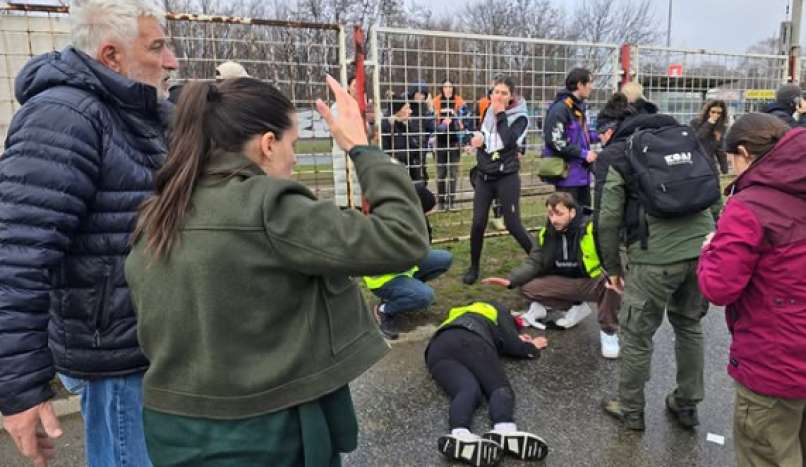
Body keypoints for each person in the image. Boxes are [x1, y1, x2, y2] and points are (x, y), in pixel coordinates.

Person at [124, 76, 430, 465]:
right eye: (294, 145)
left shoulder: (159, 211)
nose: (296, 158)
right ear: (268, 144)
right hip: (265, 432)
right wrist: (362, 149)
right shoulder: (267, 205)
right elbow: (402, 237)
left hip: (172, 429)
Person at [0, 1, 178, 466]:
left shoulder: (128, 109)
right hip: (116, 360)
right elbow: (16, 257)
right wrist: (20, 389)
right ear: (111, 56)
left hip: (146, 347)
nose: (171, 60)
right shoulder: (64, 117)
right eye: (157, 47)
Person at [594, 90, 715, 431]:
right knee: (689, 324)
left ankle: (631, 409)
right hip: (701, 251)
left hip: (654, 259)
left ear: (617, 126)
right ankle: (687, 404)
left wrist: (612, 270)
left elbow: (606, 219)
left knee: (636, 334)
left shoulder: (621, 154)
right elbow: (713, 195)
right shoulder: (687, 142)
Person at [698, 113, 806, 467]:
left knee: (767, 451)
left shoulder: (751, 205)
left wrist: (711, 249)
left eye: (732, 160)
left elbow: (718, 286)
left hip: (774, 358)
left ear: (744, 153)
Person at [481, 192, 621, 359]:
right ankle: (576, 307)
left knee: (613, 281)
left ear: (572, 212)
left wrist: (616, 275)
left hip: (593, 281)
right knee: (527, 287)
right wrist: (512, 279)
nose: (554, 219)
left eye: (559, 214)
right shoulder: (547, 233)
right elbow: (535, 261)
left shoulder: (593, 227)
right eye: (550, 214)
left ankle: (609, 332)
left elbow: (613, 256)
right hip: (566, 282)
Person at [427, 302, 549, 467]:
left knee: (468, 390)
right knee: (498, 387)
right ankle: (504, 429)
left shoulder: (459, 311)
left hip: (436, 349)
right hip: (469, 339)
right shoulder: (496, 309)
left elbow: (497, 340)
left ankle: (460, 433)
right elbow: (512, 345)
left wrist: (510, 338)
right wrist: (531, 347)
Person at [462, 76, 533, 285]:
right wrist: (476, 142)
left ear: (511, 96)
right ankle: (474, 267)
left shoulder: (520, 117)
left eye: (504, 93)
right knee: (477, 223)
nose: (499, 96)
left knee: (513, 224)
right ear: (490, 93)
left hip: (507, 176)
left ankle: (540, 260)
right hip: (485, 175)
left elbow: (509, 141)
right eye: (496, 92)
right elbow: (486, 136)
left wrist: (500, 114)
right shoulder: (486, 111)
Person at [542, 68, 600, 207]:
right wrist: (584, 154)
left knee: (584, 217)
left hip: (582, 176)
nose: (591, 87)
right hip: (567, 178)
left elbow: (581, 136)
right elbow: (555, 141)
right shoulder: (560, 109)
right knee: (566, 218)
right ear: (580, 85)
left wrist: (601, 135)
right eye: (590, 83)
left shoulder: (579, 108)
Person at [689, 100, 729, 220]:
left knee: (715, 194)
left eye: (719, 113)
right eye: (713, 112)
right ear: (707, 111)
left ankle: (717, 218)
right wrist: (709, 123)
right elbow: (697, 139)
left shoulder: (721, 128)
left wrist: (724, 166)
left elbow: (720, 149)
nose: (715, 115)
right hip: (696, 162)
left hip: (710, 164)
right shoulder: (695, 123)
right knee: (698, 193)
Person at [433, 78, 468, 210]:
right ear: (441, 89)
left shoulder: (458, 101)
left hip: (454, 142)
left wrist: (457, 119)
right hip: (440, 142)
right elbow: (431, 120)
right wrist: (441, 123)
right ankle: (441, 202)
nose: (448, 89)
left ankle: (451, 201)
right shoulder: (436, 101)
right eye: (445, 87)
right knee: (441, 174)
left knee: (453, 174)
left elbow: (466, 117)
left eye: (450, 87)